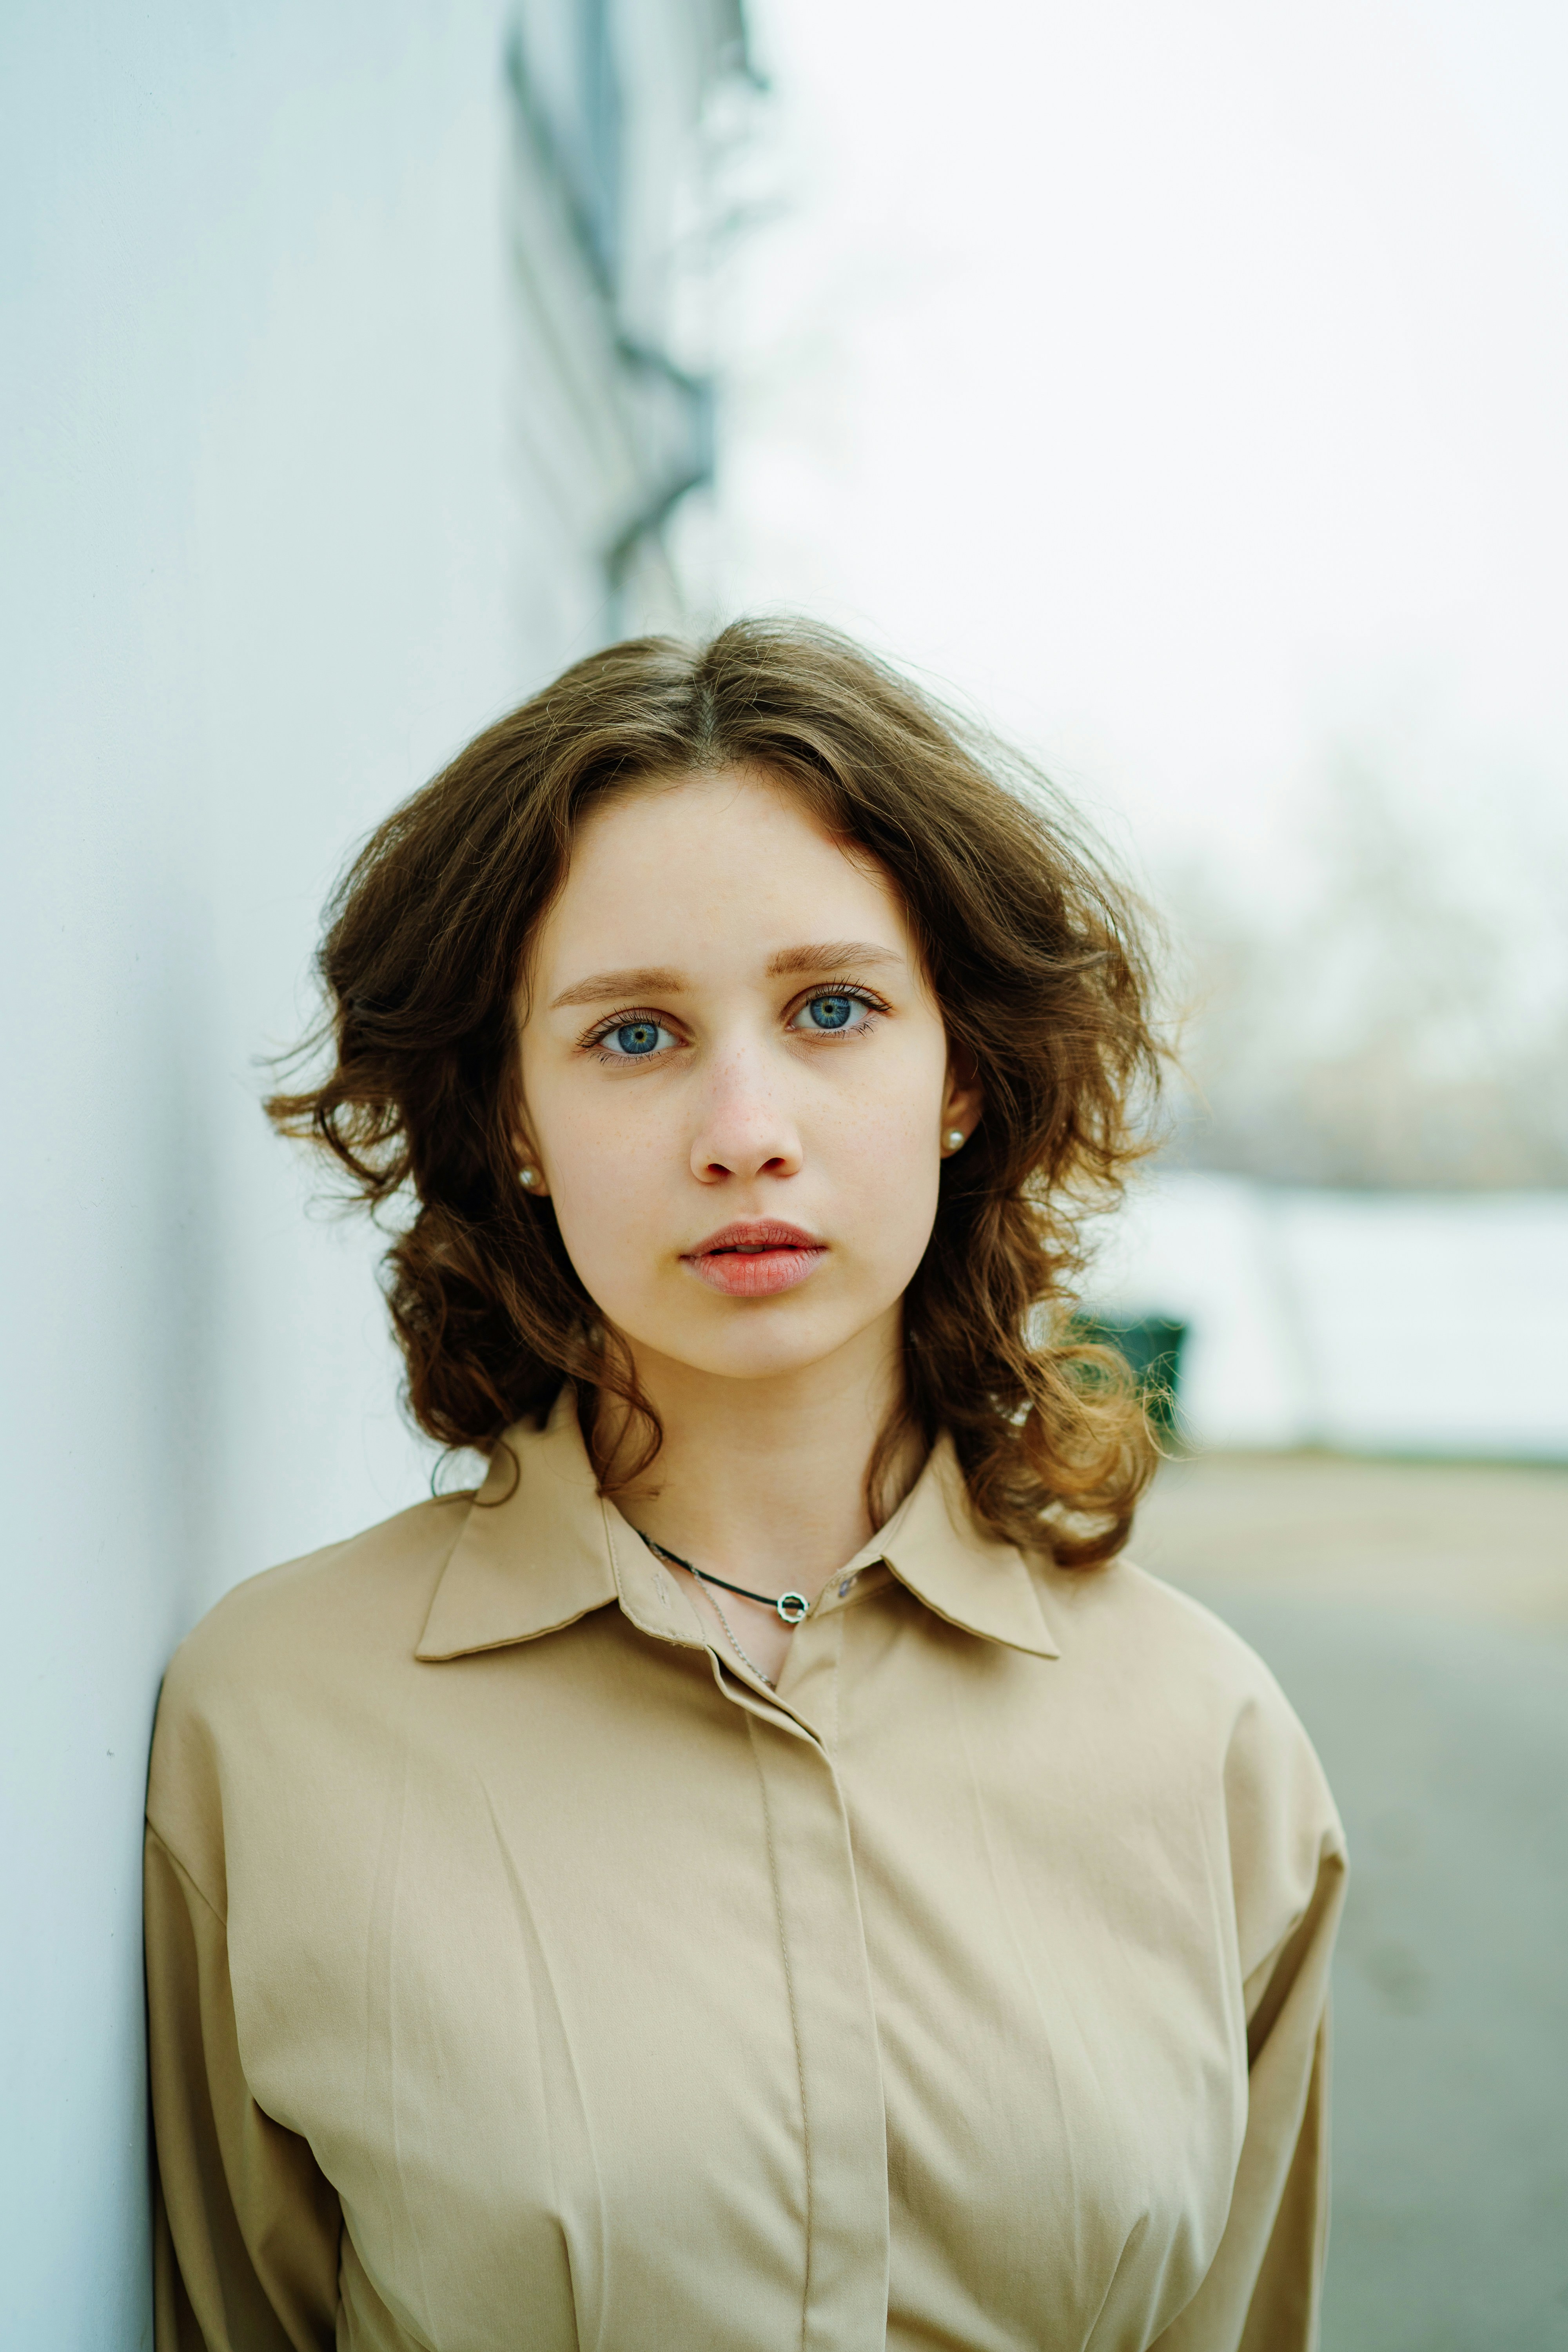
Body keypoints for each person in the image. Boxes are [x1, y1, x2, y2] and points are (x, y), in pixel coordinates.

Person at [144, 619, 1345, 2352]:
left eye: (834, 1009)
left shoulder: (1212, 1745)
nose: (745, 1124)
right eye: (631, 1036)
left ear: (956, 1077)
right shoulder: (269, 1727)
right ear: (515, 1126)